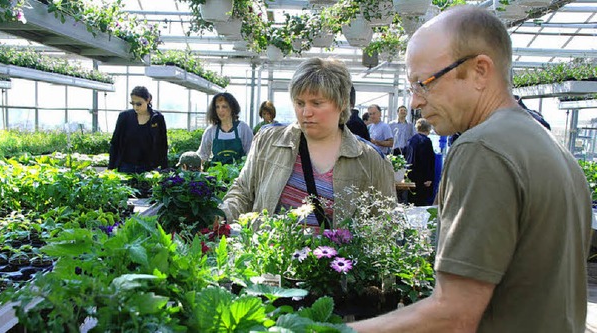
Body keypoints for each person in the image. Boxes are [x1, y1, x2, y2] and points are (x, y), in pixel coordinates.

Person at [350, 5, 592, 333]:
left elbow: (454, 316)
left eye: (424, 83)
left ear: (480, 70)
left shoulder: (482, 148)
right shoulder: (553, 149)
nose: (417, 101)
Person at [220, 57, 396, 227]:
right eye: (300, 103)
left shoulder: (371, 161)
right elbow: (242, 192)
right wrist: (221, 215)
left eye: (317, 103)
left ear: (342, 103)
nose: (306, 112)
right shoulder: (269, 141)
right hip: (272, 255)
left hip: (335, 257)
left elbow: (386, 226)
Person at [108, 86, 168, 173]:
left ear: (148, 100)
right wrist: (111, 167)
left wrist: (164, 167)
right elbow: (115, 143)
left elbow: (163, 145)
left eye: (139, 104)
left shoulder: (157, 118)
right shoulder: (124, 117)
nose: (136, 107)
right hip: (126, 166)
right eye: (133, 103)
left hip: (149, 168)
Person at [196, 92, 253, 165]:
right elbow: (203, 154)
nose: (220, 110)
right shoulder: (211, 130)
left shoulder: (243, 128)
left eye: (224, 106)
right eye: (217, 107)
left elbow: (251, 153)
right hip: (216, 174)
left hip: (240, 174)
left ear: (232, 108)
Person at [404, 118, 435, 206]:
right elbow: (427, 160)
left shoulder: (411, 140)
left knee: (410, 201)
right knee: (421, 202)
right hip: (422, 176)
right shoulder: (426, 141)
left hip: (410, 173)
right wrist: (429, 177)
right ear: (428, 128)